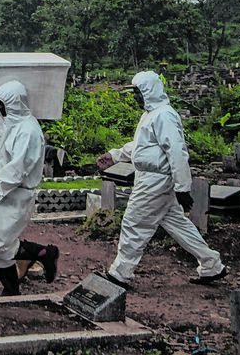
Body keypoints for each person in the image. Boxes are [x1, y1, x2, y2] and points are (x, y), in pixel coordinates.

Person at [97, 71, 227, 289]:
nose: (135, 97)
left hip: (155, 180)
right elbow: (143, 147)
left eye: (138, 92)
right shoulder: (151, 114)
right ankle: (211, 264)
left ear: (148, 91)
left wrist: (183, 186)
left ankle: (121, 272)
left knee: (134, 222)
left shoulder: (163, 115)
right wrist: (115, 155)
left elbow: (176, 151)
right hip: (153, 178)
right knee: (177, 224)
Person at [0, 80, 59, 296]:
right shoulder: (9, 123)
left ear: (14, 103)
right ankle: (11, 291)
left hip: (15, 193)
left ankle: (42, 253)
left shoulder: (28, 131)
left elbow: (17, 170)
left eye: (2, 104)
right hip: (0, 191)